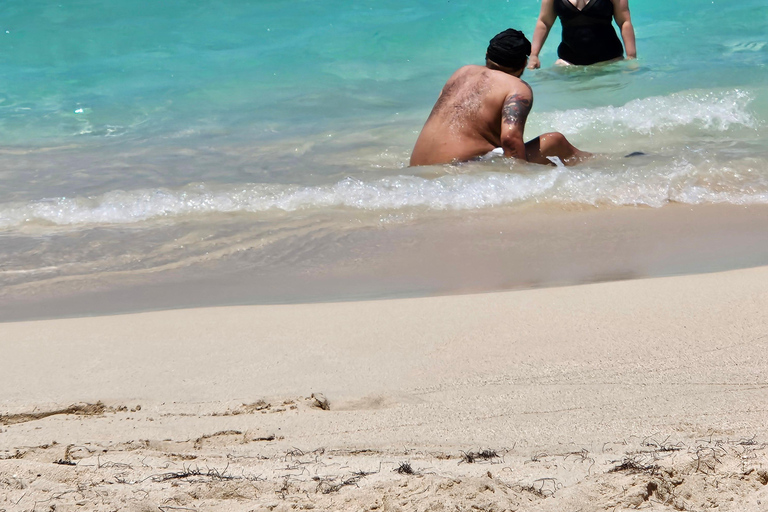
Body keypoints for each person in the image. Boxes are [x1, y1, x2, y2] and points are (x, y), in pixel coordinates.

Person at [410, 29, 590, 167]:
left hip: (417, 170)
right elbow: (510, 139)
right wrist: (521, 181)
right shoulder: (516, 87)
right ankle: (597, 164)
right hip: (458, 172)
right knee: (554, 141)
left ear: (487, 55)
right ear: (523, 64)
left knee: (545, 164)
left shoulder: (461, 73)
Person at [527, 0, 636, 68]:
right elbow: (544, 22)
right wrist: (534, 55)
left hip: (610, 61)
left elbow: (624, 22)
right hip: (568, 63)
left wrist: (631, 57)